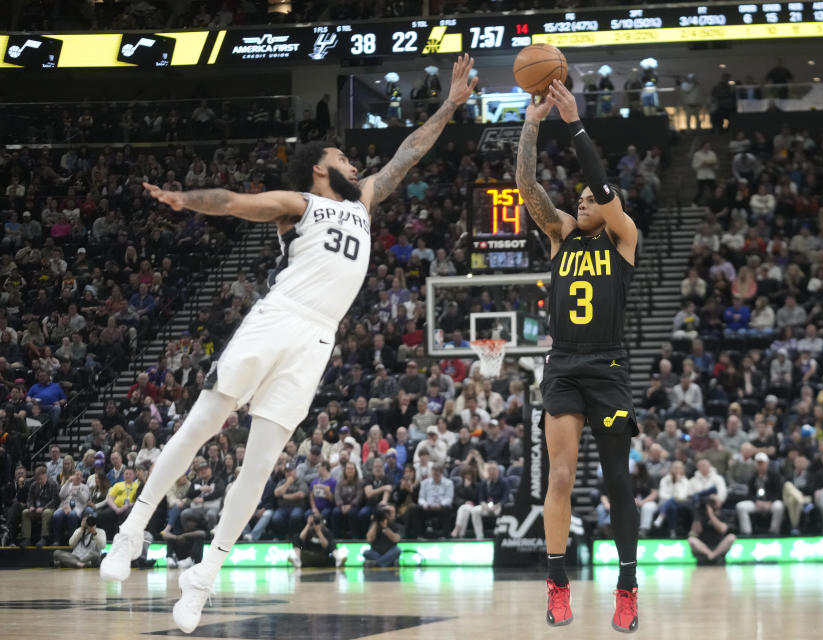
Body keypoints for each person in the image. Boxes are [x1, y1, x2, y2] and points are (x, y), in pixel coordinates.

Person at [100, 56, 480, 635]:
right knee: (202, 423)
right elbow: (230, 201)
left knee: (259, 467)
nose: (353, 162)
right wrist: (186, 199)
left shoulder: (363, 201)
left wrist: (450, 105)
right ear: (320, 170)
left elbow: (410, 152)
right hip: (277, 318)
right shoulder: (300, 204)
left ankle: (203, 578)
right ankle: (133, 531)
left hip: (317, 339)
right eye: (342, 158)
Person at [518, 79, 641, 631]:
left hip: (609, 366)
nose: (581, 201)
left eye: (591, 198)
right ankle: (557, 582)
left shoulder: (624, 237)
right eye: (580, 199)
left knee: (618, 480)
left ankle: (626, 587)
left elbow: (601, 187)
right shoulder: (562, 236)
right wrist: (532, 122)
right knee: (561, 475)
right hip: (564, 364)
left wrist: (575, 122)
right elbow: (525, 185)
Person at [687, 497, 736, 565]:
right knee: (691, 539)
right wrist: (697, 516)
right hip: (704, 545)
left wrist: (710, 514)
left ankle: (713, 555)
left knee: (731, 537)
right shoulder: (700, 514)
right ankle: (710, 554)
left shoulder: (722, 513)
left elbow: (722, 529)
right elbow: (694, 532)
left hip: (718, 545)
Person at [20, 463, 58, 547]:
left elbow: (54, 500)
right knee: (25, 512)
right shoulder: (34, 485)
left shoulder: (53, 484)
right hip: (36, 509)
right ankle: (26, 538)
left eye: (41, 479)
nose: (39, 481)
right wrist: (30, 506)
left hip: (49, 508)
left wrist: (43, 508)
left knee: (46, 513)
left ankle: (44, 538)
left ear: (45, 475)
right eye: (37, 479)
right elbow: (29, 499)